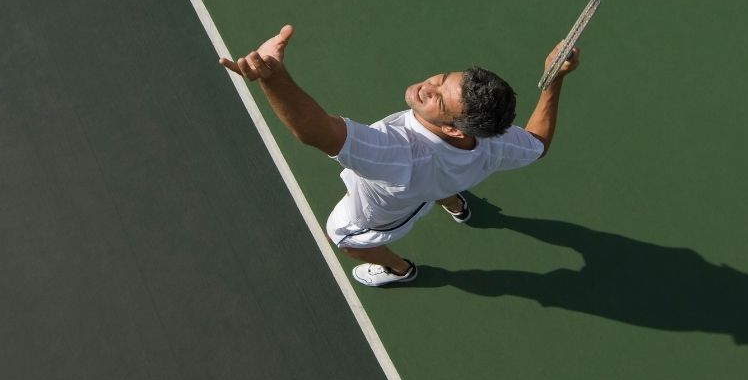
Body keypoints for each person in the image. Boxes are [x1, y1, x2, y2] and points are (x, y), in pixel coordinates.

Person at [220, 25, 579, 287]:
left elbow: (316, 132)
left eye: (437, 98)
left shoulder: (399, 152)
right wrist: (555, 80)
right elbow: (538, 143)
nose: (427, 87)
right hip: (440, 179)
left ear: (456, 129)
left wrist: (272, 77)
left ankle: (398, 269)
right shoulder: (497, 139)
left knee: (344, 239)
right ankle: (456, 205)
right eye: (440, 79)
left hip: (390, 209)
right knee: (439, 180)